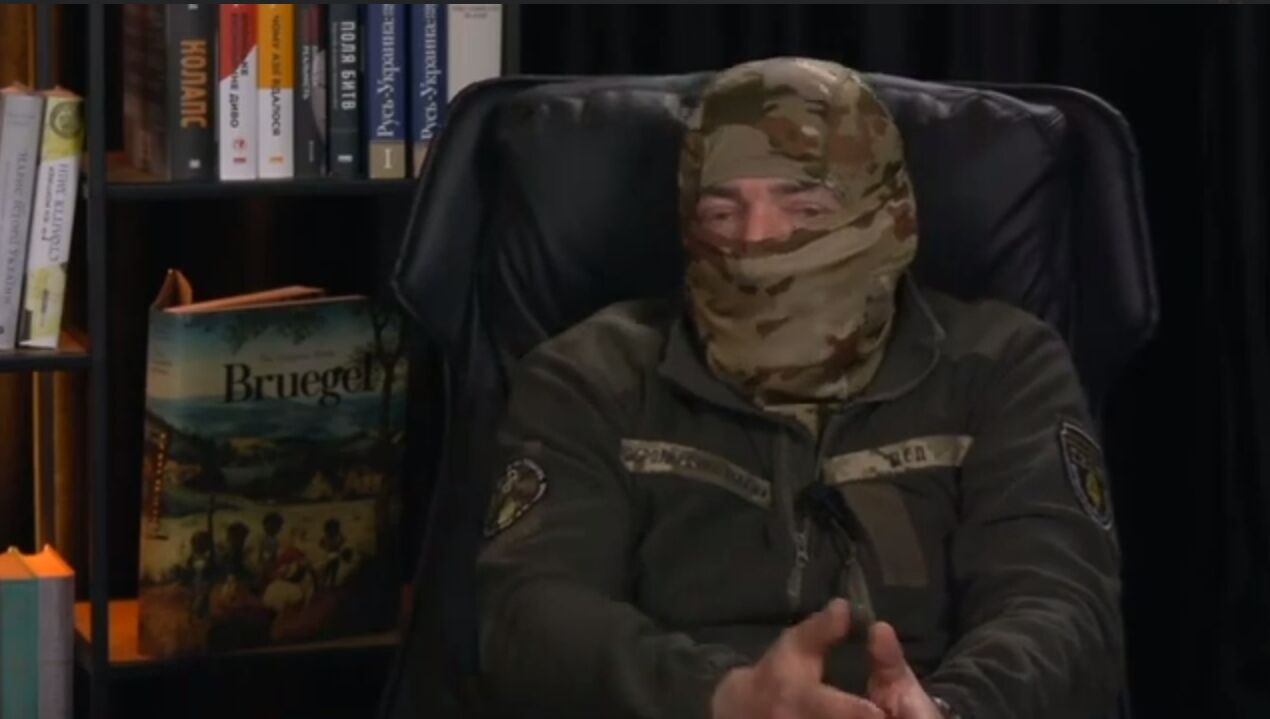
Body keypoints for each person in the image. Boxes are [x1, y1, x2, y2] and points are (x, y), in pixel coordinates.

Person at [475, 57, 1124, 719]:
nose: (757, 241)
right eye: (721, 212)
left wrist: (950, 708)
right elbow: (529, 613)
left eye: (806, 207)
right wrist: (723, 697)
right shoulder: (593, 373)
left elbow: (1061, 607)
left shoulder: (1001, 365)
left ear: (890, 213)